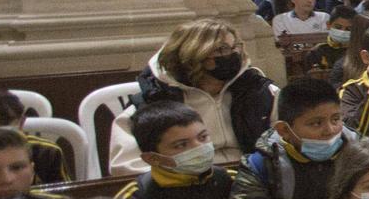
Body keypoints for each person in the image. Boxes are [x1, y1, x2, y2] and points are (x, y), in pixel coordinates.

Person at [108, 19, 277, 175]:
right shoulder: (153, 102)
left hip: (254, 177)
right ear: (193, 56)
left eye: (235, 47)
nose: (233, 55)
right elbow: (127, 167)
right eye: (222, 49)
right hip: (185, 184)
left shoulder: (259, 92)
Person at [225, 78, 357, 199]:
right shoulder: (261, 166)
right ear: (284, 130)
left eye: (335, 119)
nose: (330, 131)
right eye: (316, 123)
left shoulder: (361, 155)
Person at [112, 102, 233, 199]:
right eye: (181, 145)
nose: (199, 148)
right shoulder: (135, 198)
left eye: (203, 137)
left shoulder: (229, 180)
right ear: (153, 158)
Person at [0, 87, 74, 184]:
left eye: (17, 167)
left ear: (21, 122)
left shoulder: (47, 153)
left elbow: (65, 196)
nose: (6, 179)